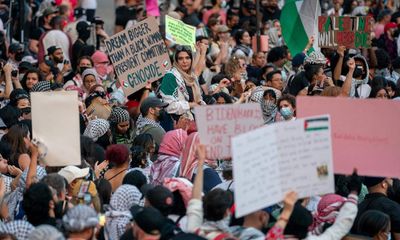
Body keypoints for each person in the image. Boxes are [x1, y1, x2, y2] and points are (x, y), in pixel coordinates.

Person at [160, 45, 205, 120]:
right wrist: (191, 105)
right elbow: (169, 106)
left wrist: (200, 103)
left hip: (195, 120)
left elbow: (197, 100)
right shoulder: (170, 76)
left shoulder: (192, 76)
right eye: (180, 58)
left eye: (187, 58)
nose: (185, 61)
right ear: (176, 61)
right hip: (177, 123)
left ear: (191, 59)